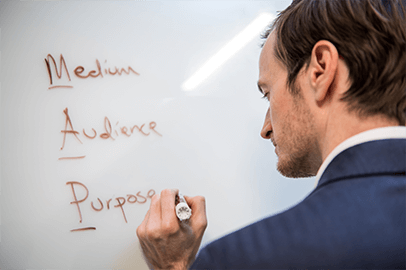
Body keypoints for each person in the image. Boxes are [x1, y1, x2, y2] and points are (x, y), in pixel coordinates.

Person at [136, 0, 406, 268]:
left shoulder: (243, 259)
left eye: (268, 94)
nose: (266, 129)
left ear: (321, 69)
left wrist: (175, 266)